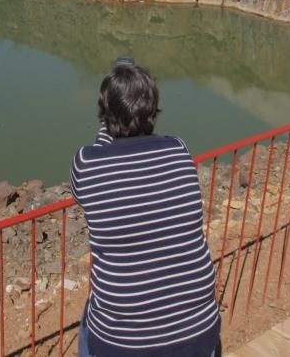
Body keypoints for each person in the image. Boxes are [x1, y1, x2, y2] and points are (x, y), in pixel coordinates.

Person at [71, 62, 222, 357]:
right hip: (199, 328)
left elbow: (81, 192)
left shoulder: (88, 162)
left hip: (125, 343)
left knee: (88, 329)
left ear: (105, 113)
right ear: (152, 112)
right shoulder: (178, 149)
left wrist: (108, 127)